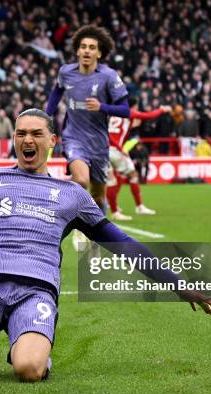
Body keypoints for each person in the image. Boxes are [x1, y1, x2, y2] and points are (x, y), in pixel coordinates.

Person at [0, 109, 211, 382]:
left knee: (29, 371)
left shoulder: (72, 195)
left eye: (36, 134)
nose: (27, 140)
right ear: (14, 140)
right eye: (21, 134)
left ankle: (27, 342)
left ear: (53, 140)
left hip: (35, 292)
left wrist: (176, 284)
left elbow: (122, 244)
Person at [45, 25, 130, 246]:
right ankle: (73, 224)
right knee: (80, 180)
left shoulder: (109, 77)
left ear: (99, 53)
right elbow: (56, 93)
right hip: (73, 137)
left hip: (99, 143)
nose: (86, 51)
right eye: (83, 46)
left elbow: (126, 110)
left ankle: (94, 237)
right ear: (77, 50)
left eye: (92, 47)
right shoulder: (66, 72)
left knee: (98, 197)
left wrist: (103, 106)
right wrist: (45, 117)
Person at [106, 100, 167, 220]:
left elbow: (110, 132)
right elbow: (149, 116)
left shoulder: (113, 114)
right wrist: (162, 109)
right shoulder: (129, 112)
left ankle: (114, 209)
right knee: (133, 175)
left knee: (112, 180)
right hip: (115, 151)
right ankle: (139, 207)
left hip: (102, 150)